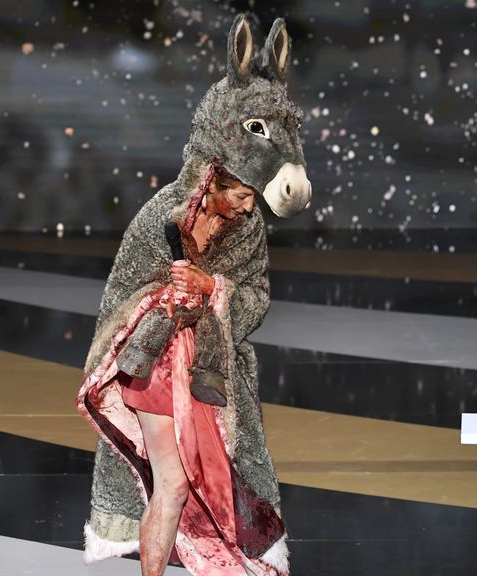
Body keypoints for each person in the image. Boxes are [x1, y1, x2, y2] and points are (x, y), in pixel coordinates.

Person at [77, 15, 311, 576]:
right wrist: (164, 304)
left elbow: (255, 296)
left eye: (254, 199)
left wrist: (215, 291)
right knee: (174, 483)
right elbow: (123, 295)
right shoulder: (162, 217)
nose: (249, 208)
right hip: (153, 364)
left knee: (215, 480)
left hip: (210, 371)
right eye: (240, 197)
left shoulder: (249, 230)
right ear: (215, 178)